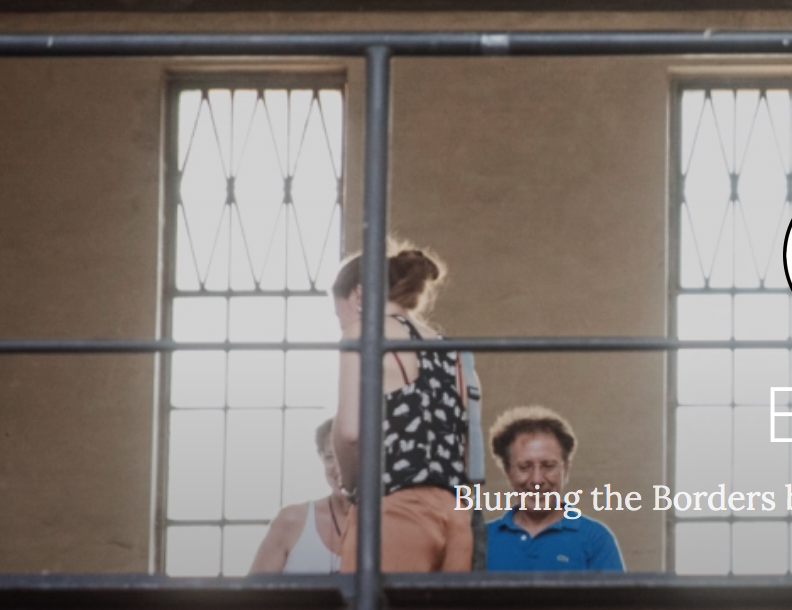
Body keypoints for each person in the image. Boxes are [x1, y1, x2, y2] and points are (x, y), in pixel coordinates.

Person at [330, 244, 473, 572]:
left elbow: (351, 432)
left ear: (358, 295)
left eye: (339, 315)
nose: (342, 325)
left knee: (372, 605)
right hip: (455, 516)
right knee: (443, 609)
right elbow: (463, 443)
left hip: (395, 507)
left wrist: (349, 483)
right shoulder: (452, 351)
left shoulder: (363, 333)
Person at [481, 406, 624, 572]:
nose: (537, 480)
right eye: (525, 467)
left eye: (548, 466)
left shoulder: (596, 539)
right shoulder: (481, 539)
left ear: (566, 470)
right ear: (508, 472)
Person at [248, 419, 348, 574]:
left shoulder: (388, 520)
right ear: (320, 457)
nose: (339, 468)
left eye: (346, 456)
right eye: (329, 457)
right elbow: (253, 589)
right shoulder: (292, 520)